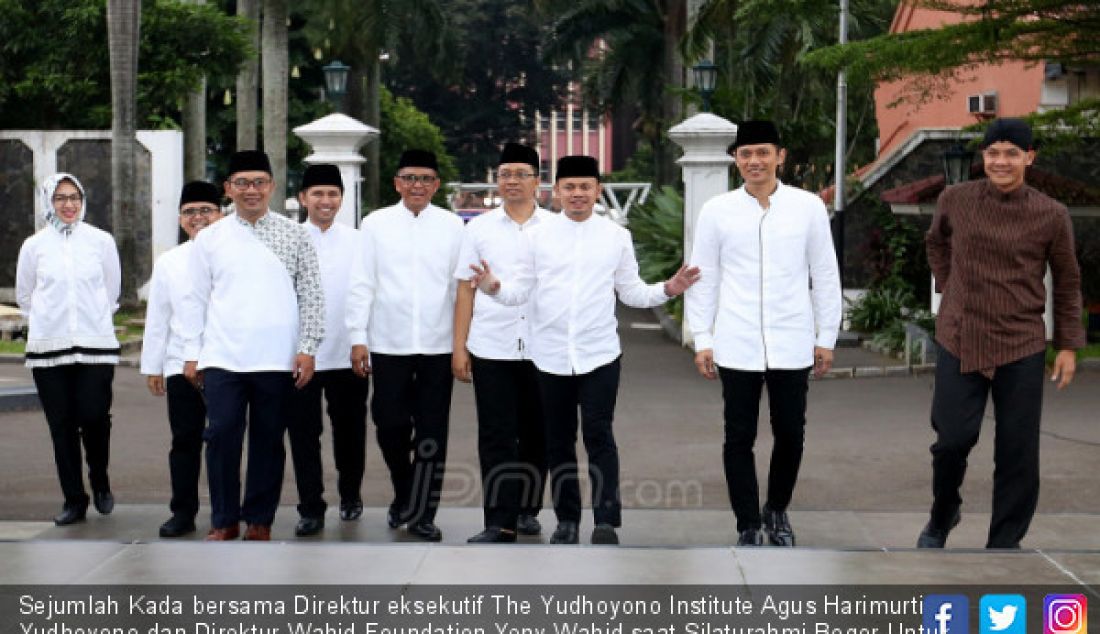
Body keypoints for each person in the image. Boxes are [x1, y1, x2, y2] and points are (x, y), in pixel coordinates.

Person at [470, 155, 700, 545]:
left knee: (599, 436)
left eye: (586, 187)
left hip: (599, 354)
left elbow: (630, 291)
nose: (578, 194)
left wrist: (668, 289)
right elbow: (520, 292)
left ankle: (606, 519)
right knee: (558, 440)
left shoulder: (615, 236)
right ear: (556, 191)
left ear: (597, 191)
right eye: (570, 187)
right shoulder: (538, 237)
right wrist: (493, 287)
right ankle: (567, 520)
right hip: (550, 356)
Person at [918, 118, 1084, 549]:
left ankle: (1004, 544)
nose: (1001, 161)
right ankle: (942, 513)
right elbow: (935, 243)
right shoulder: (955, 199)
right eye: (993, 153)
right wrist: (948, 283)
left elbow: (1066, 280)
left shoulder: (1051, 214)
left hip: (1021, 340)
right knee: (952, 439)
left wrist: (1067, 345)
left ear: (1030, 157)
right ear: (983, 157)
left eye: (1012, 153)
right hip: (960, 333)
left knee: (1017, 450)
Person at [686, 120, 841, 548]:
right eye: (745, 154)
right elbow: (704, 275)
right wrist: (703, 337)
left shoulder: (807, 206)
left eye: (762, 152)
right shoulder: (717, 210)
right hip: (736, 342)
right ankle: (747, 523)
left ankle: (777, 509)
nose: (754, 161)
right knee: (738, 435)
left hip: (792, 339)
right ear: (736, 160)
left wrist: (826, 334)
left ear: (780, 156)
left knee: (791, 432)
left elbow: (824, 273)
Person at [180, 150, 324, 541]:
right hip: (224, 355)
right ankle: (223, 519)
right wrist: (193, 353)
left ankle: (259, 519)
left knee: (268, 439)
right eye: (242, 183)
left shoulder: (295, 235)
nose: (251, 190)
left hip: (277, 357)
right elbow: (192, 299)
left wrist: (307, 347)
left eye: (259, 182)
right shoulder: (210, 239)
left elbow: (311, 294)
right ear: (228, 189)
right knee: (222, 434)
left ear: (273, 187)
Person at [347, 149, 464, 542]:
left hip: (438, 344)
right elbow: (362, 282)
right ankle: (404, 489)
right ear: (397, 183)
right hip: (388, 341)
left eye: (426, 179)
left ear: (436, 185)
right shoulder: (375, 224)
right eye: (410, 178)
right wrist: (358, 338)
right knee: (389, 422)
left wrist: (462, 345)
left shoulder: (452, 226)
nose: (417, 185)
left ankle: (422, 513)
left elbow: (458, 288)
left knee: (432, 430)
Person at [453, 143, 549, 543]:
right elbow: (465, 289)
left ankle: (527, 509)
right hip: (491, 344)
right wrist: (459, 346)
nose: (512, 181)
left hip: (545, 346)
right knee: (495, 433)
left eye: (521, 174)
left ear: (537, 182)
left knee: (538, 432)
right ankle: (499, 520)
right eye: (505, 173)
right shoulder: (478, 228)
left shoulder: (556, 228)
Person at [16, 173, 121, 526]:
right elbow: (25, 297)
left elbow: (112, 290)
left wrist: (89, 322)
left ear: (83, 199)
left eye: (74, 196)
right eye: (60, 198)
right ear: (49, 201)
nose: (68, 204)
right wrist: (52, 323)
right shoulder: (34, 246)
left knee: (94, 417)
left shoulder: (101, 241)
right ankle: (74, 499)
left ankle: (100, 479)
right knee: (61, 426)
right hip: (49, 348)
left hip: (95, 345)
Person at [287, 164, 369, 537]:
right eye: (317, 193)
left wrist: (360, 339)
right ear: (303, 198)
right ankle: (311, 507)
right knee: (304, 434)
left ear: (341, 198)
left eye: (332, 194)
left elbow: (364, 293)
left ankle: (350, 496)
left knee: (350, 431)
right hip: (300, 355)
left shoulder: (358, 241)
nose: (325, 200)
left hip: (348, 351)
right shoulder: (287, 239)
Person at [140, 181, 224, 538]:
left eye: (206, 210)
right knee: (185, 439)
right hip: (178, 364)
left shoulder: (233, 255)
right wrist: (152, 365)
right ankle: (183, 511)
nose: (198, 218)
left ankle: (225, 513)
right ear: (180, 218)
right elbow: (158, 315)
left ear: (220, 214)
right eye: (190, 212)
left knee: (223, 440)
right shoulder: (169, 262)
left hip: (224, 362)